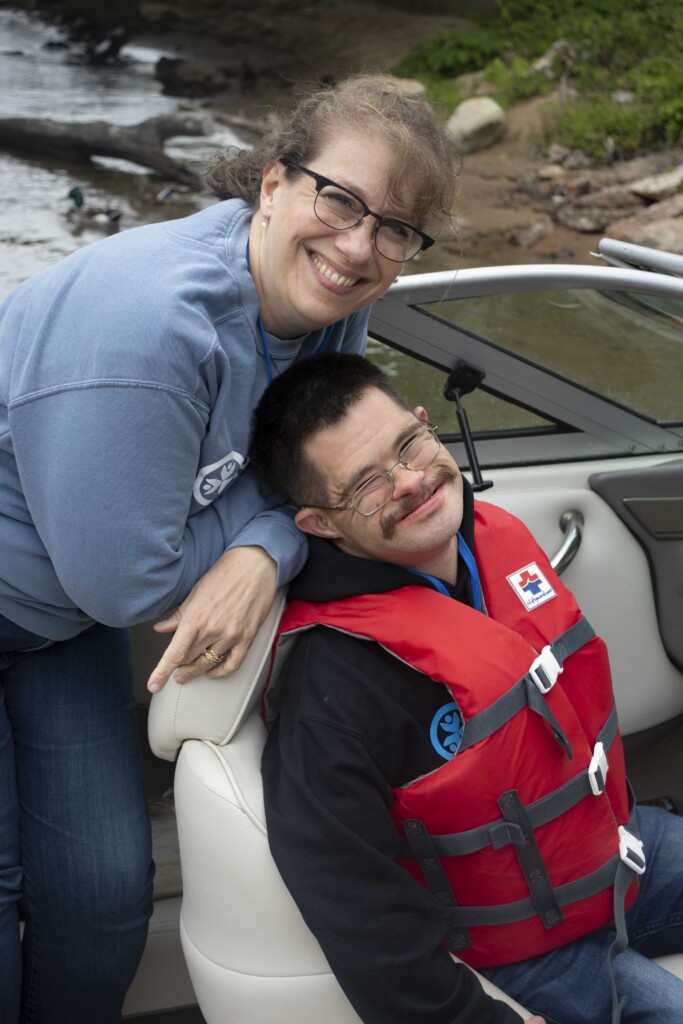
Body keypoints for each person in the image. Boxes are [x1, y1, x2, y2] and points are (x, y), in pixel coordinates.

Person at [0, 77, 458, 1023]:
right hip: (67, 591)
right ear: (273, 183)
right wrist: (267, 541)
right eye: (339, 199)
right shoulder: (148, 326)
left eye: (395, 230)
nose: (358, 247)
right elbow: (130, 585)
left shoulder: (325, 303)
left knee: (104, 895)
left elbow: (298, 472)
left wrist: (260, 547)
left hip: (53, 622)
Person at [248, 352, 683, 1024]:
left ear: (427, 424)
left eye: (408, 444)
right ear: (320, 524)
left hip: (615, 853)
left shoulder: (490, 540)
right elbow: (360, 912)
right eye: (366, 482)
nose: (410, 481)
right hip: (518, 947)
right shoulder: (331, 688)